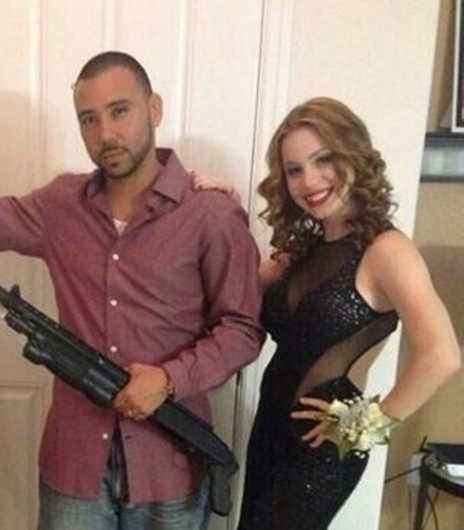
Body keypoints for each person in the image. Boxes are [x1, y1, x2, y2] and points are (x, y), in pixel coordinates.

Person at [0, 51, 265, 529]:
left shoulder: (210, 214)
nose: (105, 133)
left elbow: (242, 330)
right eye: (88, 119)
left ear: (154, 108)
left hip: (171, 466)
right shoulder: (61, 205)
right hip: (75, 465)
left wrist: (169, 379)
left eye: (120, 111)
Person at [195, 96, 461, 529]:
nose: (309, 180)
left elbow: (442, 354)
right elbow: (236, 289)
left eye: (324, 160)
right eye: (294, 169)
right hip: (270, 429)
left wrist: (366, 425)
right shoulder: (302, 249)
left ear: (353, 154)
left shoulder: (387, 251)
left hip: (322, 451)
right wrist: (225, 214)